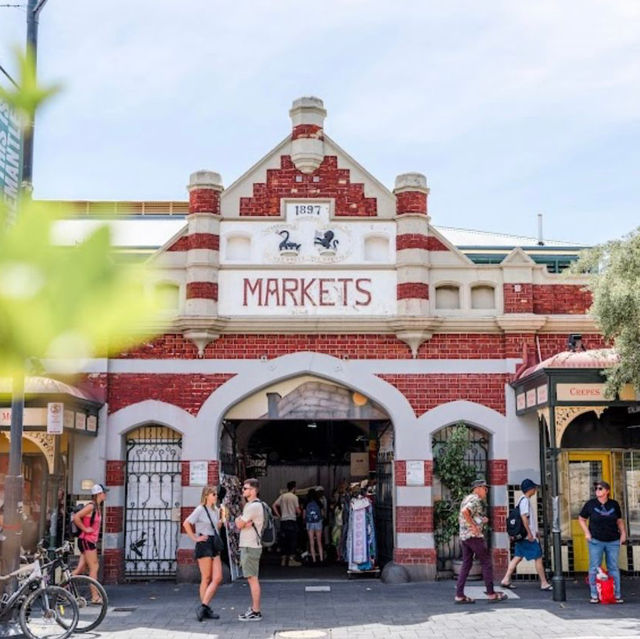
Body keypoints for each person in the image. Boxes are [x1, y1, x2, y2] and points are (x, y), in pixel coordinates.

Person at [455, 479, 507, 604]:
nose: (486, 491)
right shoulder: (475, 499)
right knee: (486, 562)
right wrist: (473, 526)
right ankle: (491, 594)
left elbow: (466, 514)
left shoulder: (467, 498)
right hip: (474, 536)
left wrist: (480, 520)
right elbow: (465, 512)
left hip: (465, 537)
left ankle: (459, 595)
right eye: (484, 488)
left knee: (466, 564)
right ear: (477, 488)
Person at [578, 480, 626, 604]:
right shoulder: (590, 504)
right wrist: (587, 533)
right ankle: (594, 594)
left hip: (613, 540)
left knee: (613, 567)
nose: (597, 491)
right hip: (596, 540)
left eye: (600, 488)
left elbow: (619, 520)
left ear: (607, 491)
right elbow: (581, 518)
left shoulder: (614, 504)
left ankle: (616, 594)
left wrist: (623, 533)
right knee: (594, 567)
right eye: (596, 489)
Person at [183, 485, 225, 622]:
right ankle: (205, 609)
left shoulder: (216, 509)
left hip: (214, 543)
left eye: (216, 494)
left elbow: (216, 527)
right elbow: (186, 523)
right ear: (206, 495)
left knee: (217, 578)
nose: (215, 496)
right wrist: (195, 538)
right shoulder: (200, 509)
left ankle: (203, 606)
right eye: (213, 494)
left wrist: (222, 519)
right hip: (204, 543)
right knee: (206, 578)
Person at [500, 479, 552, 591]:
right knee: (538, 557)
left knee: (517, 557)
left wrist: (534, 531)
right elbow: (524, 517)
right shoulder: (525, 501)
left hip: (524, 536)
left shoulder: (521, 500)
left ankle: (505, 579)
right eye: (534, 488)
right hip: (527, 537)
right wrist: (530, 533)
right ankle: (544, 582)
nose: (535, 489)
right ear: (530, 489)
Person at [72, 483, 108, 604]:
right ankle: (95, 597)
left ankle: (61, 590)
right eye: (104, 492)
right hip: (87, 541)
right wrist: (85, 529)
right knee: (94, 567)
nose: (105, 495)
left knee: (80, 568)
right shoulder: (91, 506)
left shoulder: (97, 507)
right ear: (99, 494)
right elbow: (76, 517)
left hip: (88, 541)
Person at [234, 478, 264, 622]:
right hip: (250, 544)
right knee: (252, 577)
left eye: (245, 488)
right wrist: (242, 522)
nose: (243, 491)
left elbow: (239, 524)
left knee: (252, 578)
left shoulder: (253, 507)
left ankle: (256, 611)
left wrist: (240, 522)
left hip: (250, 545)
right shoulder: (251, 505)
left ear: (253, 490)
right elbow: (241, 523)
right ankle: (254, 609)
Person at [272, 481, 302, 567]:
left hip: (283, 521)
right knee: (292, 540)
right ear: (294, 488)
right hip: (292, 520)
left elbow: (274, 505)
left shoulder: (282, 496)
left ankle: (283, 559)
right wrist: (300, 513)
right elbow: (297, 510)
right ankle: (291, 560)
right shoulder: (294, 497)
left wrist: (279, 515)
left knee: (284, 540)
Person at [304, 488, 324, 564]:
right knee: (319, 541)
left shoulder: (306, 503)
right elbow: (322, 513)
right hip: (318, 522)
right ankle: (321, 559)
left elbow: (304, 515)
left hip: (309, 523)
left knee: (311, 542)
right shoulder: (319, 502)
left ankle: (314, 560)